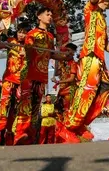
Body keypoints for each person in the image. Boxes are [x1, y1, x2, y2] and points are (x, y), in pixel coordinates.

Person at [64, 0, 109, 142]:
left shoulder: (102, 20)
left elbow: (105, 44)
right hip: (90, 58)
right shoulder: (91, 10)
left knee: (104, 94)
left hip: (100, 61)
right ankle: (69, 126)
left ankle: (81, 125)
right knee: (86, 92)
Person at [13, 8, 69, 145]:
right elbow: (28, 50)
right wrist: (29, 47)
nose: (50, 16)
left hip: (42, 76)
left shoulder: (50, 36)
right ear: (39, 16)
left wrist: (63, 56)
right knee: (25, 104)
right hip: (29, 74)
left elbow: (51, 54)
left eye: (51, 14)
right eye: (47, 14)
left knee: (36, 106)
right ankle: (20, 134)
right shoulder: (31, 34)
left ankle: (30, 136)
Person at [0, 24, 27, 145]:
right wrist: (1, 43)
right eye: (20, 32)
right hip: (9, 78)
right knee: (4, 103)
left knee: (16, 107)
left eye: (24, 33)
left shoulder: (29, 45)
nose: (22, 35)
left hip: (22, 80)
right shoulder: (11, 41)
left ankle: (10, 132)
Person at [54, 43, 79, 114]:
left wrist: (59, 82)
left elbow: (72, 78)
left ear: (73, 52)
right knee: (59, 110)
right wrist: (57, 60)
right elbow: (56, 73)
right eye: (66, 50)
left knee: (67, 110)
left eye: (68, 50)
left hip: (69, 90)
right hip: (62, 89)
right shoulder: (63, 62)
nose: (66, 52)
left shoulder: (73, 64)